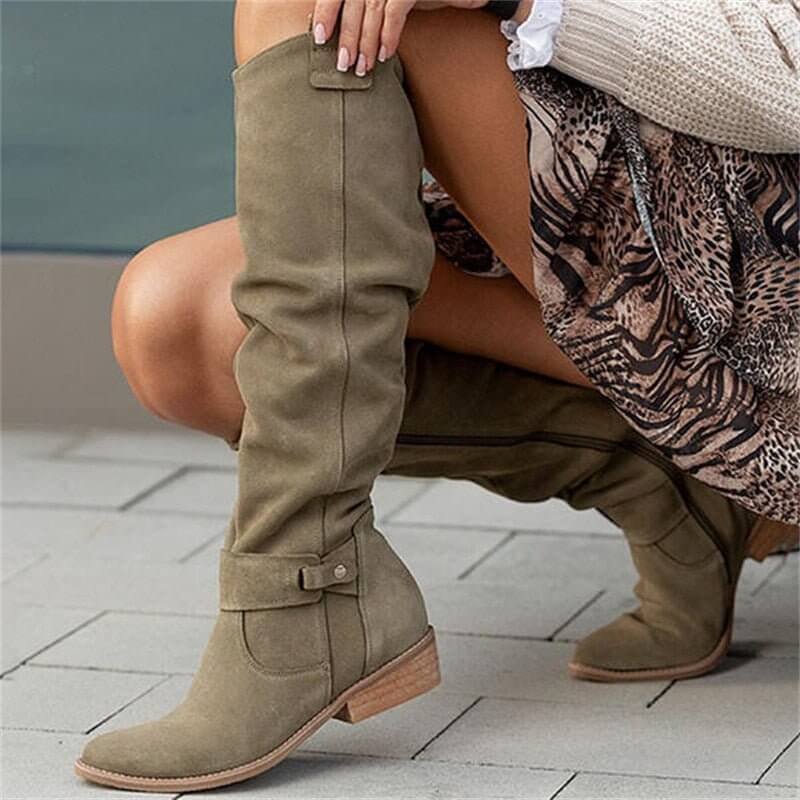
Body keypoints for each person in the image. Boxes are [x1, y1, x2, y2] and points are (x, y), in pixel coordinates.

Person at [76, 0, 799, 792]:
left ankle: (305, 592)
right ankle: (676, 491)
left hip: (769, 312)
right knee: (178, 323)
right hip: (656, 239)